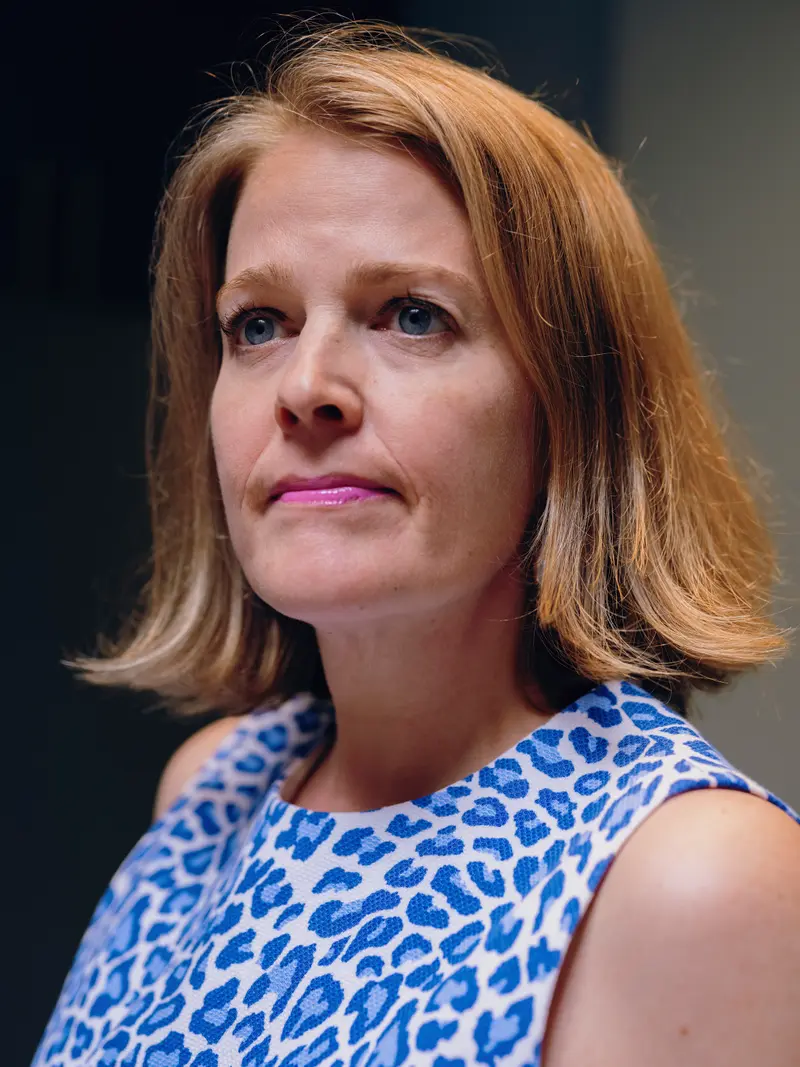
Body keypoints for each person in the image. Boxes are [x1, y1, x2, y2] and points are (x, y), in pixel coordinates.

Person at [34, 20, 800, 1067]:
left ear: (568, 406)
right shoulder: (213, 787)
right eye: (257, 323)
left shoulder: (688, 877)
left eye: (409, 315)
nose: (305, 387)